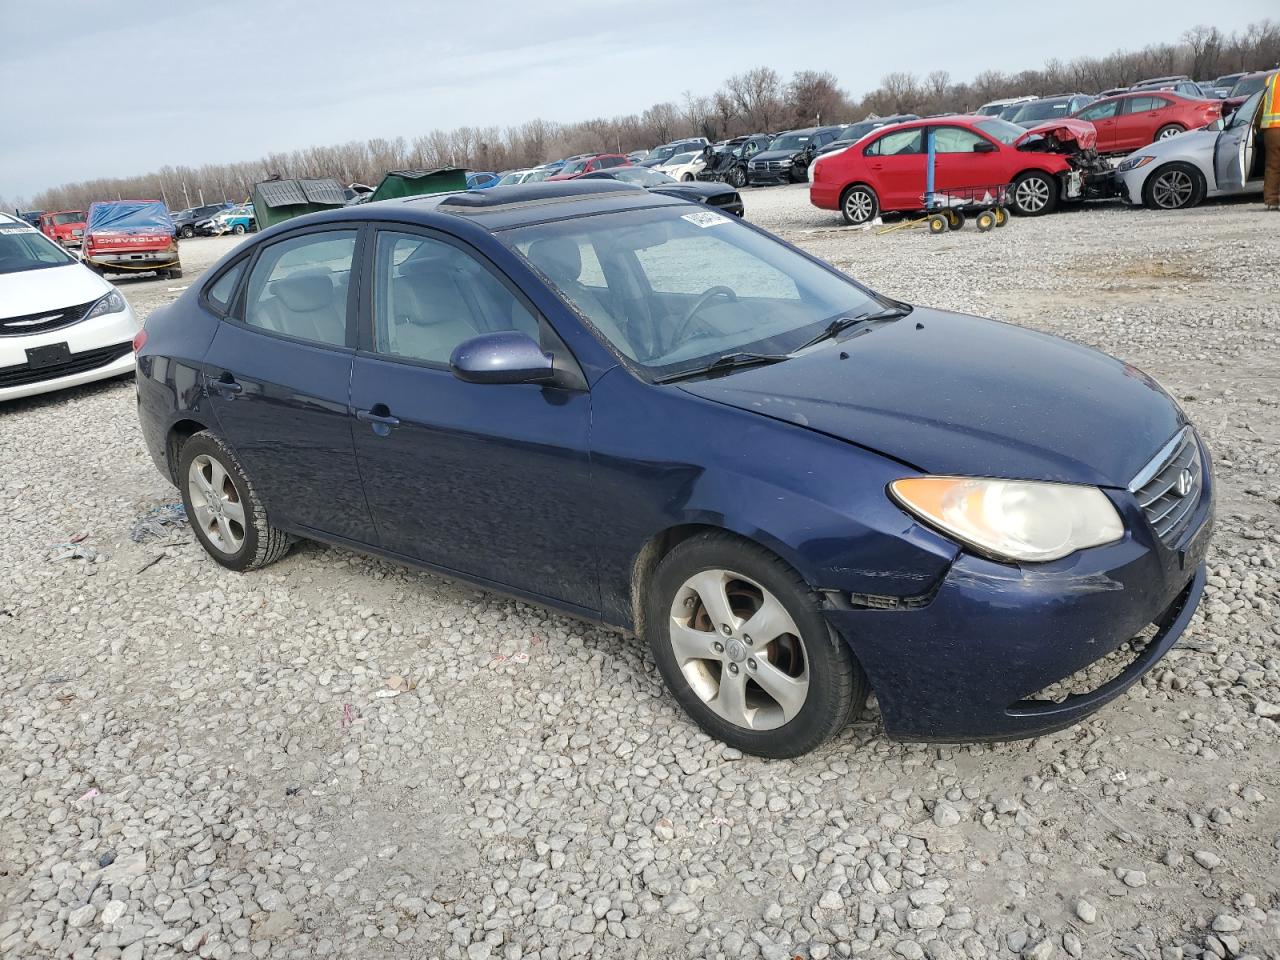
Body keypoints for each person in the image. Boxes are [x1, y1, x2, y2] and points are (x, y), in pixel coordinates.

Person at [1264, 70, 1280, 211]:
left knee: (1273, 166)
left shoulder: (1271, 79)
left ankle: (1271, 200)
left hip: (1271, 130)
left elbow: (1263, 104)